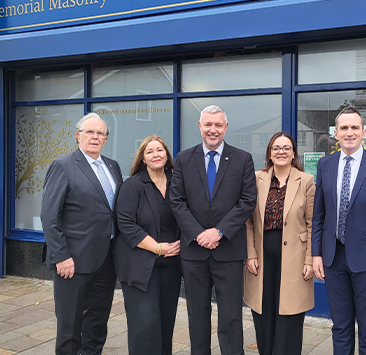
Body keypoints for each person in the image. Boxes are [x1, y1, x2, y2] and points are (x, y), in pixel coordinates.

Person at [170, 105, 257, 355]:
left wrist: (218, 231)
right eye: (208, 124)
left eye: (218, 125)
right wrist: (199, 234)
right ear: (199, 126)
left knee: (231, 316)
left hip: (228, 250)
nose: (213, 130)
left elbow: (247, 200)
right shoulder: (184, 159)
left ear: (226, 127)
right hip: (193, 252)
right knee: (197, 315)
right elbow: (177, 201)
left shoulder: (242, 158)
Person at [311, 106, 366, 355]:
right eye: (344, 128)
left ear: (363, 133)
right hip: (333, 259)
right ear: (336, 133)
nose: (349, 133)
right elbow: (319, 215)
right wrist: (316, 254)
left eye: (355, 128)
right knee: (340, 327)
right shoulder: (325, 165)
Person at [40, 112, 123, 355]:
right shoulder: (63, 166)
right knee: (70, 327)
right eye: (90, 132)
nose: (95, 137)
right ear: (78, 136)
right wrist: (62, 256)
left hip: (106, 260)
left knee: (97, 323)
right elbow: (49, 216)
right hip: (73, 262)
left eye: (100, 133)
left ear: (106, 139)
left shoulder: (112, 167)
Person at [244, 132, 316, 355]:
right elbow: (246, 221)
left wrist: (310, 260)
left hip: (295, 255)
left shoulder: (306, 181)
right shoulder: (256, 179)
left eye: (286, 148)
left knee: (289, 312)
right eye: (276, 148)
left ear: (294, 153)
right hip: (263, 255)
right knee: (264, 310)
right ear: (269, 153)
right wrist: (251, 254)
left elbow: (313, 223)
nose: (281, 152)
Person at [114, 135, 181, 355]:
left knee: (165, 321)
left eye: (160, 150)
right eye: (150, 151)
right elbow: (126, 224)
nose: (155, 155)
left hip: (171, 264)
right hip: (139, 264)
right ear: (143, 158)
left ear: (167, 155)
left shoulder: (177, 182)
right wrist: (156, 247)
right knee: (145, 323)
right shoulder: (132, 186)